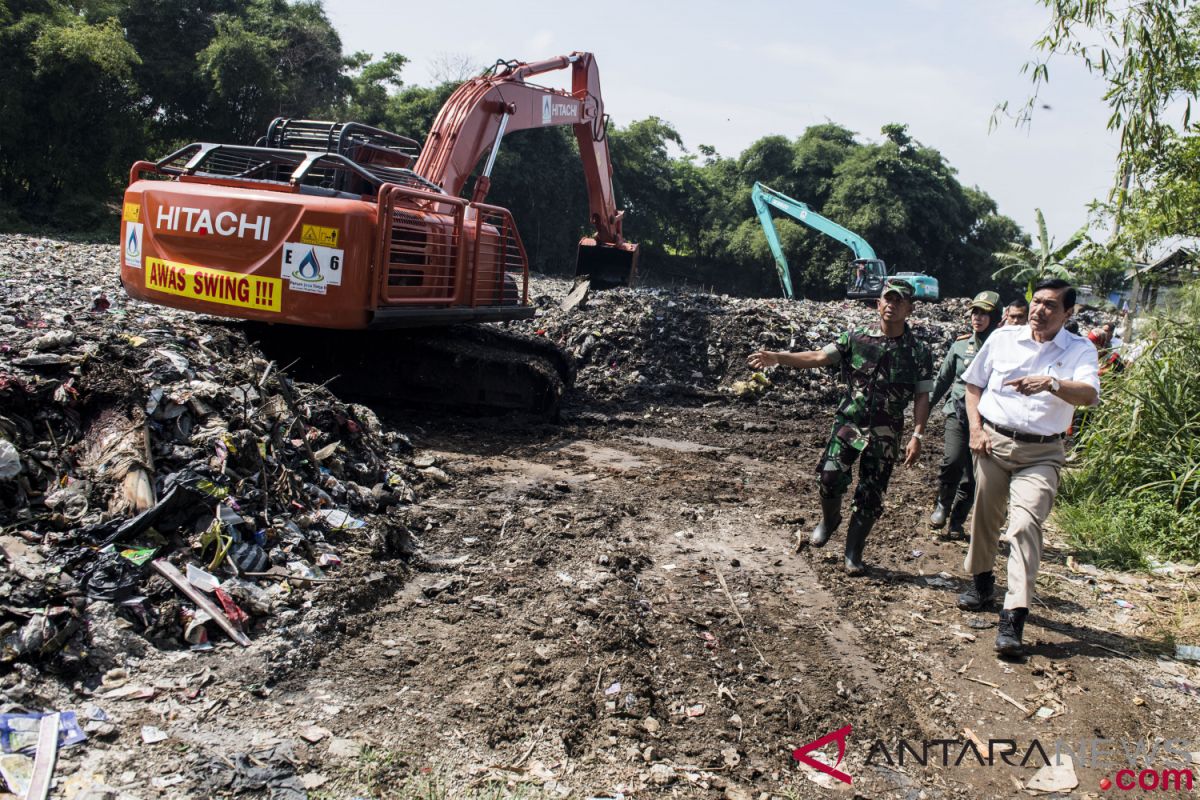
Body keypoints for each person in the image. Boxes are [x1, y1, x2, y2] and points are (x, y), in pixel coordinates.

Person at [748, 278, 933, 575]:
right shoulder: (856, 337)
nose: (892, 305)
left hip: (886, 433)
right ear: (878, 303)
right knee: (830, 477)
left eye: (899, 301)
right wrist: (778, 358)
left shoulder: (918, 351)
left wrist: (918, 434)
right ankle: (830, 519)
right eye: (888, 298)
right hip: (850, 424)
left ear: (910, 309)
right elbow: (819, 357)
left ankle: (853, 553)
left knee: (871, 494)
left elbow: (922, 395)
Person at [955, 279, 1100, 656]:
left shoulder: (1080, 349)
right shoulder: (1003, 338)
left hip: (1042, 452)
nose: (1039, 310)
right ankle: (982, 581)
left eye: (1051, 305)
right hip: (993, 441)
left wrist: (1052, 383)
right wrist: (975, 429)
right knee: (985, 516)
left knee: (1024, 525)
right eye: (1037, 302)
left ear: (1068, 313)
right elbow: (973, 385)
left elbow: (1089, 395)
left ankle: (1013, 615)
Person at [928, 291, 1002, 538]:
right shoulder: (961, 345)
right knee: (953, 460)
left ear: (996, 317)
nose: (977, 318)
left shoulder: (1003, 347)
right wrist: (925, 408)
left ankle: (957, 521)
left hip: (988, 419)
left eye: (984, 313)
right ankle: (942, 504)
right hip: (957, 412)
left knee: (972, 475)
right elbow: (943, 379)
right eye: (975, 312)